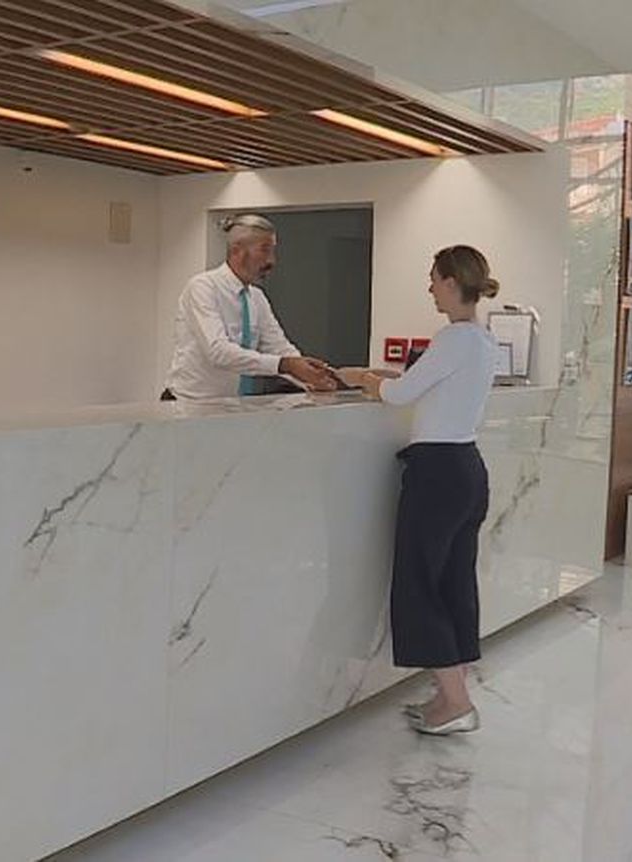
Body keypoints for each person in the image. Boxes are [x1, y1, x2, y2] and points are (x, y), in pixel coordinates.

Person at [339, 245, 500, 736]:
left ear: (452, 281)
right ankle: (449, 696)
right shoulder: (481, 339)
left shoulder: (453, 338)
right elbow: (426, 384)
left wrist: (363, 379)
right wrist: (386, 378)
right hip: (467, 469)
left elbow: (399, 394)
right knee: (454, 583)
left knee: (420, 585)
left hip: (438, 474)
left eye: (433, 278)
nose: (429, 287)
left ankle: (456, 703)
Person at [162, 214, 336, 400]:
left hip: (228, 405)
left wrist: (310, 377)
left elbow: (278, 347)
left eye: (273, 252)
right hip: (188, 403)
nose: (271, 261)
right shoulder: (203, 287)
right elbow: (218, 352)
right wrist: (286, 365)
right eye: (265, 250)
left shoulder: (256, 297)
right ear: (237, 250)